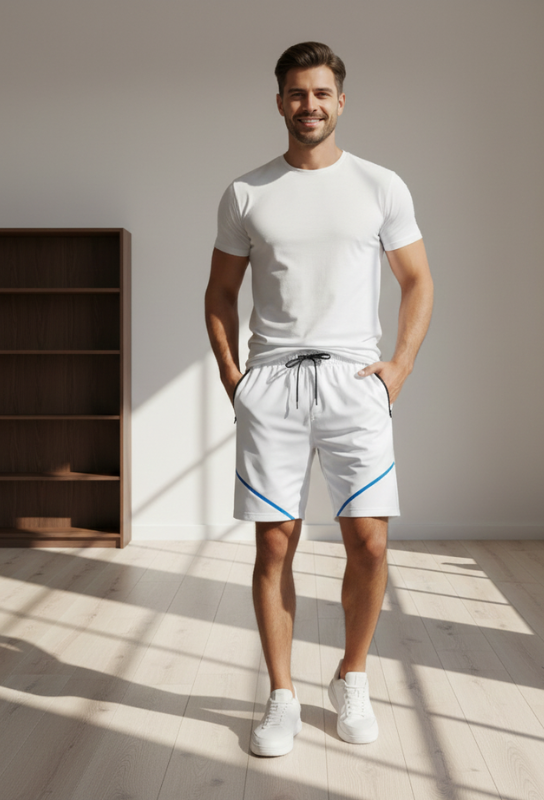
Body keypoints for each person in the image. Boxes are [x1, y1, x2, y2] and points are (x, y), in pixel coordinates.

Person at [204, 41, 433, 757]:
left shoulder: (380, 185)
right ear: (279, 102)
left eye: (322, 93)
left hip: (352, 381)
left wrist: (397, 366)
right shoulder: (247, 192)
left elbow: (418, 282)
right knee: (276, 542)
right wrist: (233, 378)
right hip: (271, 384)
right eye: (297, 94)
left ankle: (352, 676)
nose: (310, 105)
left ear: (341, 101)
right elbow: (219, 292)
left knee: (369, 541)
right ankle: (281, 697)